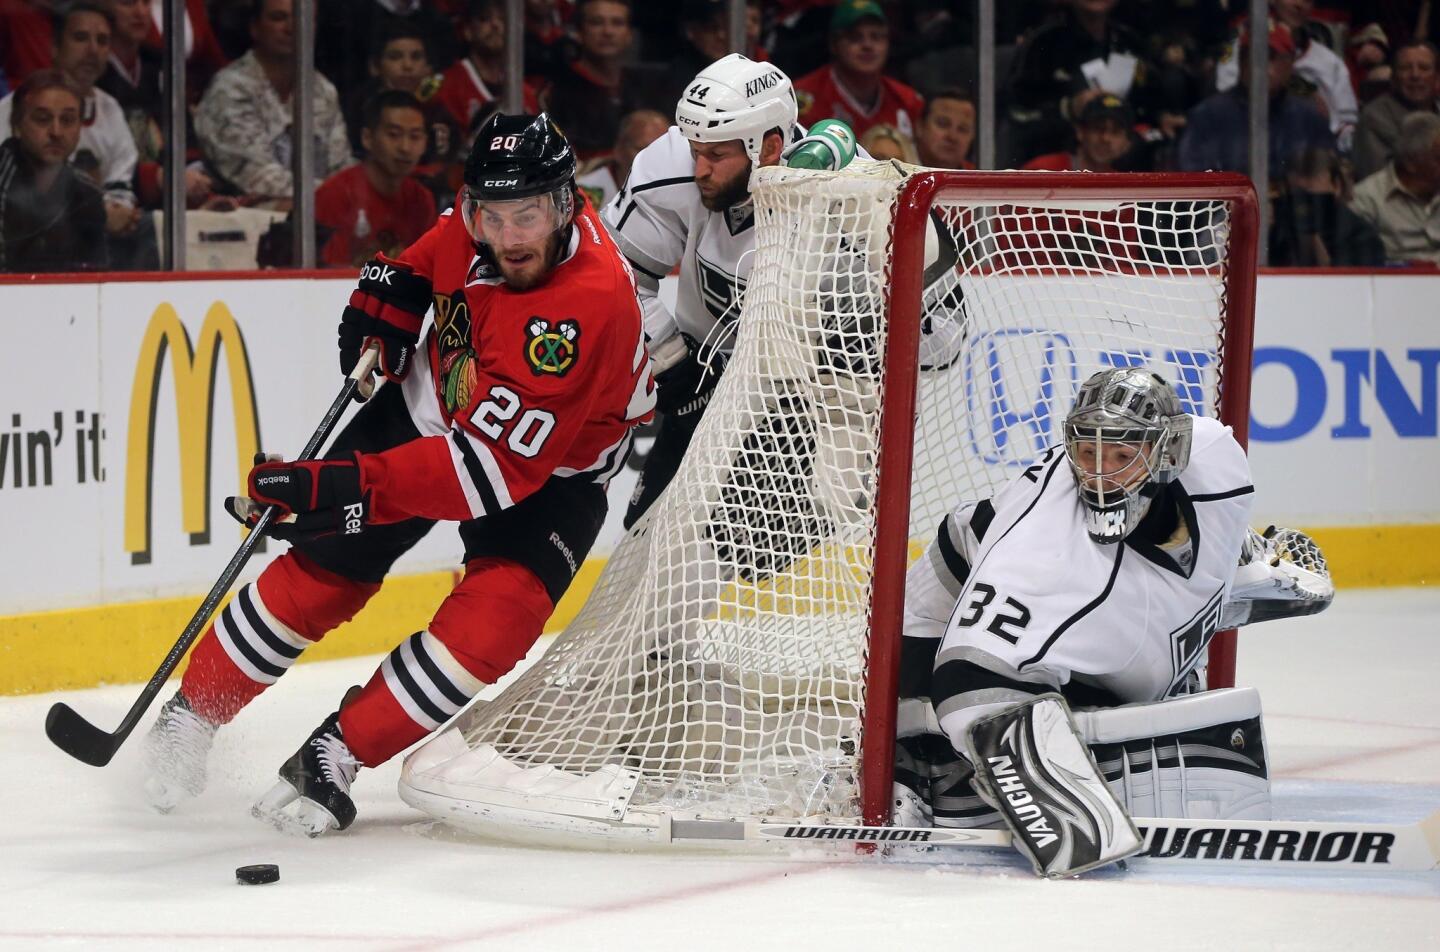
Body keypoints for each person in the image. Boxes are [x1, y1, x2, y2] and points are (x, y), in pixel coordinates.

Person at [141, 113, 656, 836]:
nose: (509, 237)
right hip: (431, 409)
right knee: (325, 567)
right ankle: (191, 714)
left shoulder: (581, 305)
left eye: (529, 216)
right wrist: (391, 293)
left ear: (566, 205)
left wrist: (340, 486)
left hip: (551, 472)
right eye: (493, 215)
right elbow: (425, 256)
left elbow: (485, 474)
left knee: (493, 625)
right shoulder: (475, 222)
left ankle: (336, 753)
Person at [892, 368, 1332, 876]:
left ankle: (1228, 587)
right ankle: (910, 767)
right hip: (961, 570)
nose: (1100, 475)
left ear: (1168, 453)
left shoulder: (1216, 455)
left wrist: (1238, 557)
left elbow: (1216, 511)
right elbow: (967, 681)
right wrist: (1063, 812)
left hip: (1115, 602)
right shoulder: (1044, 562)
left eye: (1123, 456)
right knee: (947, 706)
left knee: (1151, 666)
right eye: (1087, 454)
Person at [193, 0, 353, 209]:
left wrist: (349, 194)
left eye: (303, 18)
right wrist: (335, 196)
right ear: (255, 28)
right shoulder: (230, 88)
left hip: (322, 214)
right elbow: (256, 177)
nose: (292, 28)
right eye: (278, 18)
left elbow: (340, 166)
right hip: (240, 219)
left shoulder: (323, 90)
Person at [0, 3, 141, 238]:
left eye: (102, 41)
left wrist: (116, 214)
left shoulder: (111, 109)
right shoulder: (12, 109)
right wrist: (94, 215)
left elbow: (120, 191)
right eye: (81, 37)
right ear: (55, 47)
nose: (93, 50)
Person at [1177, 22, 1333, 180]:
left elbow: (1327, 180)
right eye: (1252, 56)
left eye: (1270, 57)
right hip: (1230, 203)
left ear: (1290, 64)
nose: (1260, 66)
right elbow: (1194, 181)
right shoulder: (1208, 116)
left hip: (1293, 203)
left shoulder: (1309, 118)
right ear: (1240, 62)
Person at [0, 69, 107, 272]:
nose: (56, 132)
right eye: (42, 119)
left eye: (67, 120)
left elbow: (97, 279)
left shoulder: (88, 192)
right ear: (17, 124)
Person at [316, 91, 436, 268]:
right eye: (394, 134)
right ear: (367, 138)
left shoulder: (422, 200)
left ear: (425, 142)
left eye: (415, 136)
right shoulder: (336, 194)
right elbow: (328, 276)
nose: (405, 147)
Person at [793, 0, 925, 143]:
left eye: (876, 37)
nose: (867, 45)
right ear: (834, 44)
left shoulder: (908, 101)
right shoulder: (803, 98)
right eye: (855, 37)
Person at [544, 0, 645, 160]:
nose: (608, 31)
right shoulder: (558, 90)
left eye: (617, 23)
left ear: (629, 35)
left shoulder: (643, 86)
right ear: (578, 32)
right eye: (597, 23)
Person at [436, 0, 541, 140]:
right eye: (485, 19)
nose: (495, 25)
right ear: (468, 31)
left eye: (503, 19)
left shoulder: (525, 94)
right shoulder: (448, 86)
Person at [1349, 111, 1440, 265]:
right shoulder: (1365, 199)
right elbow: (1360, 262)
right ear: (1411, 163)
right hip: (1395, 283)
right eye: (1439, 159)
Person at [1270, 146, 1384, 267]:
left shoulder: (1362, 237)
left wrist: (1312, 239)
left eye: (1314, 199)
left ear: (1337, 186)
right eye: (1297, 196)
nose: (1304, 207)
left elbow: (1347, 281)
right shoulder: (1279, 230)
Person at [1352, 42, 1440, 182]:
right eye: (1405, 68)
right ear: (1393, 78)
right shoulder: (1374, 118)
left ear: (1437, 78)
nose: (1415, 75)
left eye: (1424, 68)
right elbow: (1378, 179)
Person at [1023, 93, 1141, 171]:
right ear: (1080, 132)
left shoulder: (1123, 191)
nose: (1106, 138)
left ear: (1128, 144)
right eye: (1098, 128)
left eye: (1115, 132)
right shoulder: (1043, 170)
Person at [575, 107, 667, 207]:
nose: (653, 160)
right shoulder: (583, 196)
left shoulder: (677, 194)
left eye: (661, 152)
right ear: (619, 150)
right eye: (642, 150)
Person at [914, 88, 975, 170]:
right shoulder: (893, 171)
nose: (952, 137)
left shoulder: (981, 178)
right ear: (920, 127)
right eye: (943, 124)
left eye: (962, 129)